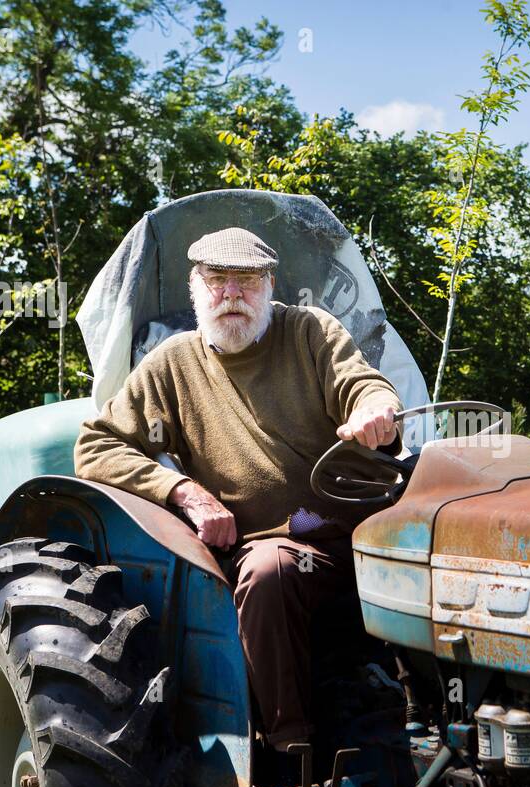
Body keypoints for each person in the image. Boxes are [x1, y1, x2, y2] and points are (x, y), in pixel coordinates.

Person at [75, 225, 404, 755]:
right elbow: (96, 447)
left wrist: (374, 412)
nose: (232, 295)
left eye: (247, 281)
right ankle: (289, 756)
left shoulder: (310, 332)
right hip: (263, 552)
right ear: (195, 289)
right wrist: (183, 491)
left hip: (350, 532)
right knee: (271, 569)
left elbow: (361, 383)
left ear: (270, 284)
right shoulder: (173, 364)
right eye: (217, 280)